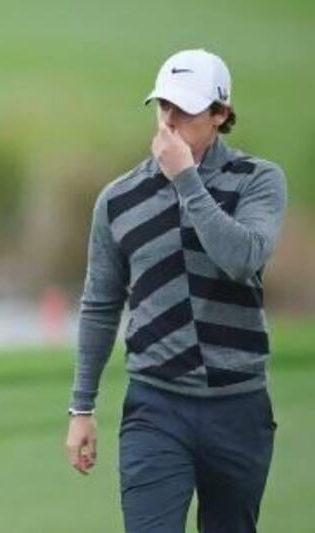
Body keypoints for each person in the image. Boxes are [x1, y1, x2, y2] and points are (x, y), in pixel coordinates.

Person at [64, 49, 287, 532]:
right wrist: (82, 408)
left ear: (220, 115)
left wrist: (186, 179)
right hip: (156, 407)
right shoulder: (118, 200)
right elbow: (100, 305)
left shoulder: (259, 181)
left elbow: (242, 258)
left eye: (184, 109)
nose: (168, 120)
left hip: (239, 409)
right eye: (163, 105)